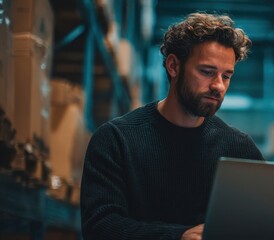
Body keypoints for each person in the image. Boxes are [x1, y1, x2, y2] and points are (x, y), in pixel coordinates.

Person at [80, 13, 264, 240]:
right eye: (207, 72)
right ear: (173, 66)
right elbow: (99, 226)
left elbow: (261, 224)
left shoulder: (240, 150)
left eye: (226, 76)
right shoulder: (116, 140)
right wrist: (179, 236)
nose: (218, 86)